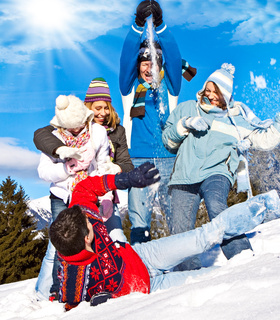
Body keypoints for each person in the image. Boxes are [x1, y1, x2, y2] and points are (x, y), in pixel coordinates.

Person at [49, 161, 280, 311]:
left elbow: (87, 187)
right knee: (217, 278)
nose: (91, 217)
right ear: (85, 239)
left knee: (207, 234)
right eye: (89, 223)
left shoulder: (81, 212)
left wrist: (125, 179)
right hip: (149, 289)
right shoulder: (72, 278)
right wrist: (98, 302)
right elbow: (68, 304)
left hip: (142, 256)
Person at [162, 63, 280, 271]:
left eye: (215, 91)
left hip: (217, 173)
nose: (210, 95)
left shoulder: (236, 119)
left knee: (217, 208)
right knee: (181, 232)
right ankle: (188, 275)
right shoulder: (188, 108)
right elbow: (168, 142)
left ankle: (243, 259)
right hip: (183, 175)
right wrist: (185, 124)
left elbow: (265, 140)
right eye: (207, 90)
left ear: (225, 94)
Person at [119, 0, 196, 244]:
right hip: (138, 159)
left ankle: (183, 263)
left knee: (176, 216)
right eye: (144, 63)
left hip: (169, 159)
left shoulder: (170, 89)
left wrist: (160, 25)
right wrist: (138, 25)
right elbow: (125, 62)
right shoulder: (130, 90)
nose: (148, 68)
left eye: (152, 62)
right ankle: (142, 264)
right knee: (140, 219)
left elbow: (174, 58)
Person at [33, 77, 134, 243]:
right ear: (87, 108)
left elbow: (125, 164)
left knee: (114, 237)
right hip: (67, 193)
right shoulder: (65, 125)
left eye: (106, 108)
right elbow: (40, 136)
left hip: (102, 191)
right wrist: (65, 158)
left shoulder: (115, 131)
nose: (103, 113)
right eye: (98, 108)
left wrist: (113, 170)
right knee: (62, 246)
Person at [35, 94, 111, 301]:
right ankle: (57, 287)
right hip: (62, 196)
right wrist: (67, 168)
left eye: (79, 125)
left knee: (90, 238)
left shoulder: (98, 133)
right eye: (71, 127)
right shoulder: (54, 139)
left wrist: (106, 194)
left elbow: (104, 164)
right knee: (59, 243)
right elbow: (43, 171)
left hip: (88, 195)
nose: (76, 130)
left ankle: (90, 282)